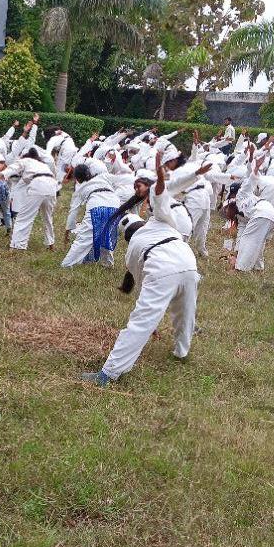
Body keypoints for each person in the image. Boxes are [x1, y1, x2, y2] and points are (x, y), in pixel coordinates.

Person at [83, 149, 199, 387]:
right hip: (189, 264)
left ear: (126, 236)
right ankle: (181, 352)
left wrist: (151, 322)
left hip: (163, 269)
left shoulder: (133, 248)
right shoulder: (160, 222)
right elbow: (162, 194)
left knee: (139, 325)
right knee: (185, 313)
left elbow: (143, 289)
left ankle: (108, 373)